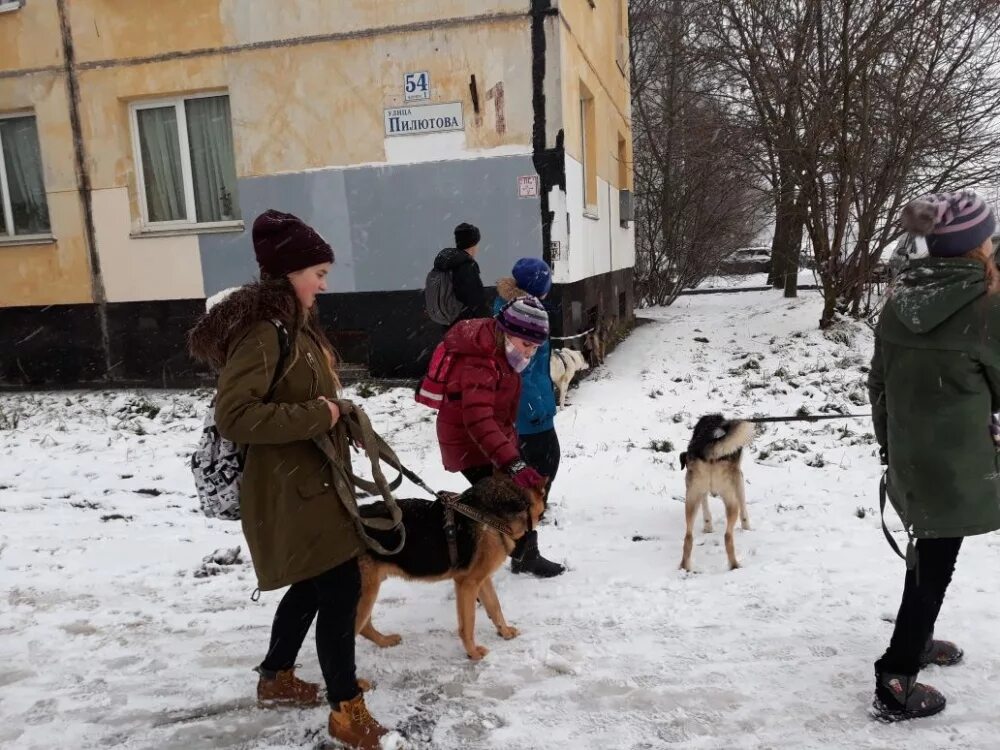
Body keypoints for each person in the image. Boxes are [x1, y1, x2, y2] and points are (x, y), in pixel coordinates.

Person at [188, 210, 391, 749]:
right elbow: (235, 414)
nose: (324, 283)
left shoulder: (296, 327)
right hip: (289, 487)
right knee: (341, 585)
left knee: (311, 582)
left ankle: (276, 678)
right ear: (290, 273)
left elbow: (302, 395)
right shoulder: (264, 332)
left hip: (313, 481)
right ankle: (346, 709)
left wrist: (336, 414)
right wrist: (318, 416)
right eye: (318, 273)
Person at [868, 190, 1000, 722]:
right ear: (977, 246)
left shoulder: (902, 298)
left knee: (930, 556)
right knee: (934, 565)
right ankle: (895, 679)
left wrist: (892, 442)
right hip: (962, 468)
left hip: (912, 460)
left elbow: (878, 382)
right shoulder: (988, 309)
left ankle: (914, 642)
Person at [435, 296, 550, 499]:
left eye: (535, 347)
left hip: (490, 440)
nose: (530, 353)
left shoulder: (505, 354)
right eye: (526, 344)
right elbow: (478, 420)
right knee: (503, 511)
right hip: (471, 445)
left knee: (511, 505)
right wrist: (512, 462)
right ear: (507, 332)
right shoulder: (481, 361)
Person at [494, 258, 566, 577]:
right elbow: (520, 369)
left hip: (531, 408)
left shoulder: (513, 306)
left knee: (528, 483)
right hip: (528, 414)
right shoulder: (522, 313)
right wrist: (534, 409)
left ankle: (521, 548)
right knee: (531, 483)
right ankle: (523, 551)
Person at [428, 222, 490, 330]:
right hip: (467, 326)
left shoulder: (447, 264)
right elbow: (475, 299)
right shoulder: (466, 266)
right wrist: (489, 321)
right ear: (473, 244)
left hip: (449, 323)